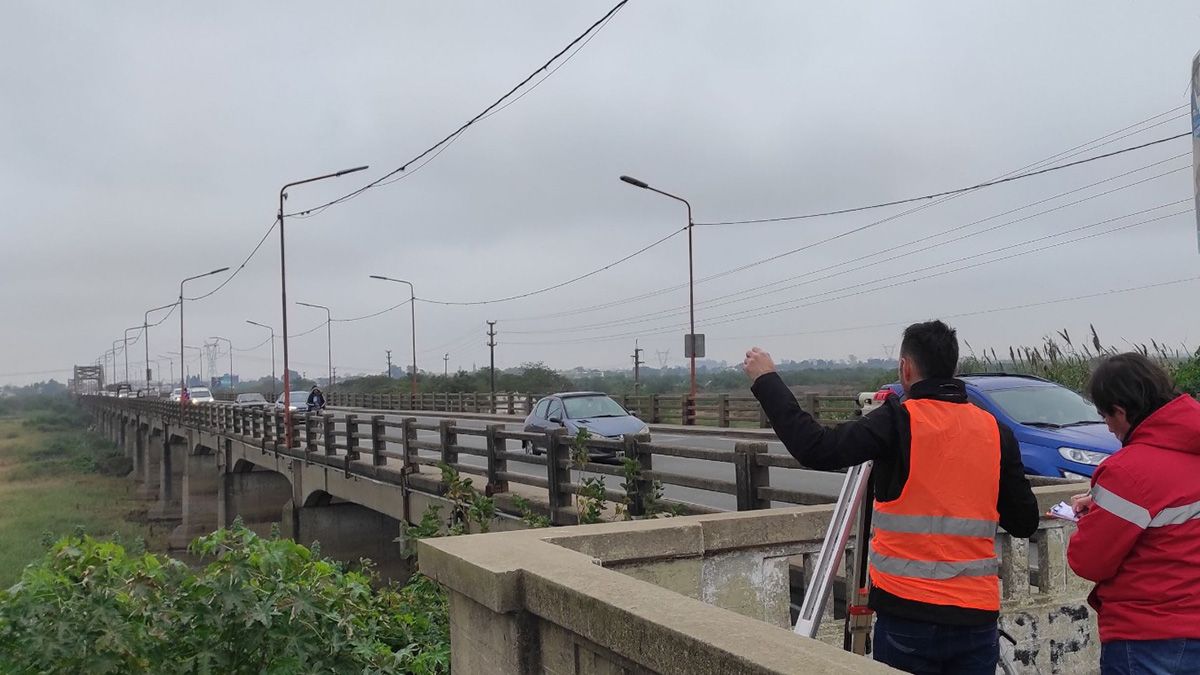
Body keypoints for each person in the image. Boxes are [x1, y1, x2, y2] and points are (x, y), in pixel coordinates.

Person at [744, 320, 1039, 674]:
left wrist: (766, 381)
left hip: (907, 616)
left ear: (906, 368)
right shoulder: (997, 431)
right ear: (952, 367)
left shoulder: (897, 422)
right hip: (976, 620)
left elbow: (816, 448)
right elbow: (1024, 521)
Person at [1067, 353, 1200, 674]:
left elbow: (1090, 561)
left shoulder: (1127, 471)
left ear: (1120, 412)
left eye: (1104, 416)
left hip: (1149, 635)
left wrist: (1092, 518)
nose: (1108, 427)